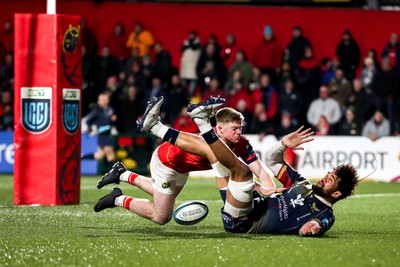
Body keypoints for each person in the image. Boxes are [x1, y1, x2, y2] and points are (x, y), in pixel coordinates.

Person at [185, 97, 359, 236]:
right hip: (250, 203)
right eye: (330, 173)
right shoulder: (302, 184)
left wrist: (313, 227)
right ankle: (160, 128)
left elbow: (315, 226)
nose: (326, 176)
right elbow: (271, 161)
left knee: (233, 167)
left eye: (332, 179)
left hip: (245, 223)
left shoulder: (325, 214)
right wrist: (283, 144)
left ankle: (198, 124)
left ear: (336, 193)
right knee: (219, 161)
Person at [94, 96, 276, 225]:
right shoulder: (212, 144)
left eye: (240, 128)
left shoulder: (241, 143)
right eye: (235, 128)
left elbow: (260, 170)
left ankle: (123, 174)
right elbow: (227, 183)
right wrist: (251, 192)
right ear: (219, 129)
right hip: (166, 162)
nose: (239, 132)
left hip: (182, 167)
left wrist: (271, 192)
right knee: (161, 216)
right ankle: (118, 198)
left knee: (165, 196)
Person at [84, 91, 117, 168]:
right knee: (110, 154)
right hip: (102, 135)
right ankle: (113, 173)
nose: (103, 101)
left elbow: (110, 120)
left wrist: (113, 119)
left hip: (108, 134)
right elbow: (88, 121)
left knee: (99, 155)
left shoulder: (109, 109)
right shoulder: (96, 110)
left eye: (105, 99)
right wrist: (91, 130)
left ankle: (82, 157)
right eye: (102, 99)